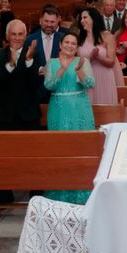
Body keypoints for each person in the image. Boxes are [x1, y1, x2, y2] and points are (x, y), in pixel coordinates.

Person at [0, 19, 40, 204]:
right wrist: (11, 62)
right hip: (5, 113)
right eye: (14, 34)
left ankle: (35, 195)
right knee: (4, 157)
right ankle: (4, 195)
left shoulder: (33, 53)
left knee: (33, 156)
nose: (17, 38)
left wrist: (28, 61)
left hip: (29, 113)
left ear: (26, 35)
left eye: (21, 34)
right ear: (6, 36)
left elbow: (35, 83)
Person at [44, 33, 95, 204]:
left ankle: (82, 193)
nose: (70, 45)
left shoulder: (83, 61)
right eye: (67, 42)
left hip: (80, 107)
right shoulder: (51, 62)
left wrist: (79, 70)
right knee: (60, 149)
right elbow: (49, 85)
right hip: (59, 108)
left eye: (73, 43)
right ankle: (59, 192)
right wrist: (63, 68)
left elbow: (90, 84)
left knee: (81, 149)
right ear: (60, 44)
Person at [78, 7, 120, 105]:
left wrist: (98, 57)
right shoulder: (80, 39)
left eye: (85, 18)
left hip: (104, 77)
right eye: (81, 18)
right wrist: (90, 58)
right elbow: (77, 63)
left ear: (94, 19)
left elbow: (111, 62)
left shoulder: (107, 37)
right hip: (87, 78)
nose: (82, 20)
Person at [26, 6, 65, 104]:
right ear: (40, 21)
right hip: (37, 90)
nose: (49, 24)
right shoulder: (30, 39)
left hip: (59, 89)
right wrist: (39, 69)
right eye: (46, 21)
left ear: (57, 22)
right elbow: (24, 62)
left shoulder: (64, 39)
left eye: (52, 22)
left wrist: (53, 70)